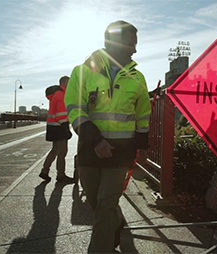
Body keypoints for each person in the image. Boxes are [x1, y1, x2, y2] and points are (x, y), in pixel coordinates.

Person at [64, 20, 151, 253]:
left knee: (105, 205)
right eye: (131, 44)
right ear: (113, 42)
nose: (135, 49)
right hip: (89, 151)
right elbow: (75, 110)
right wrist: (97, 141)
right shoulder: (81, 72)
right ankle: (116, 223)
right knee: (96, 203)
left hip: (122, 154)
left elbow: (143, 117)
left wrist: (143, 148)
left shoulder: (138, 78)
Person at [39, 76, 74, 183]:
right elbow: (61, 113)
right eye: (69, 82)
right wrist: (66, 127)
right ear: (63, 83)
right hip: (59, 126)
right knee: (62, 151)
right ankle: (61, 175)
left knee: (55, 150)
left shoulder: (56, 94)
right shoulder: (60, 94)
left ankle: (45, 171)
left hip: (53, 126)